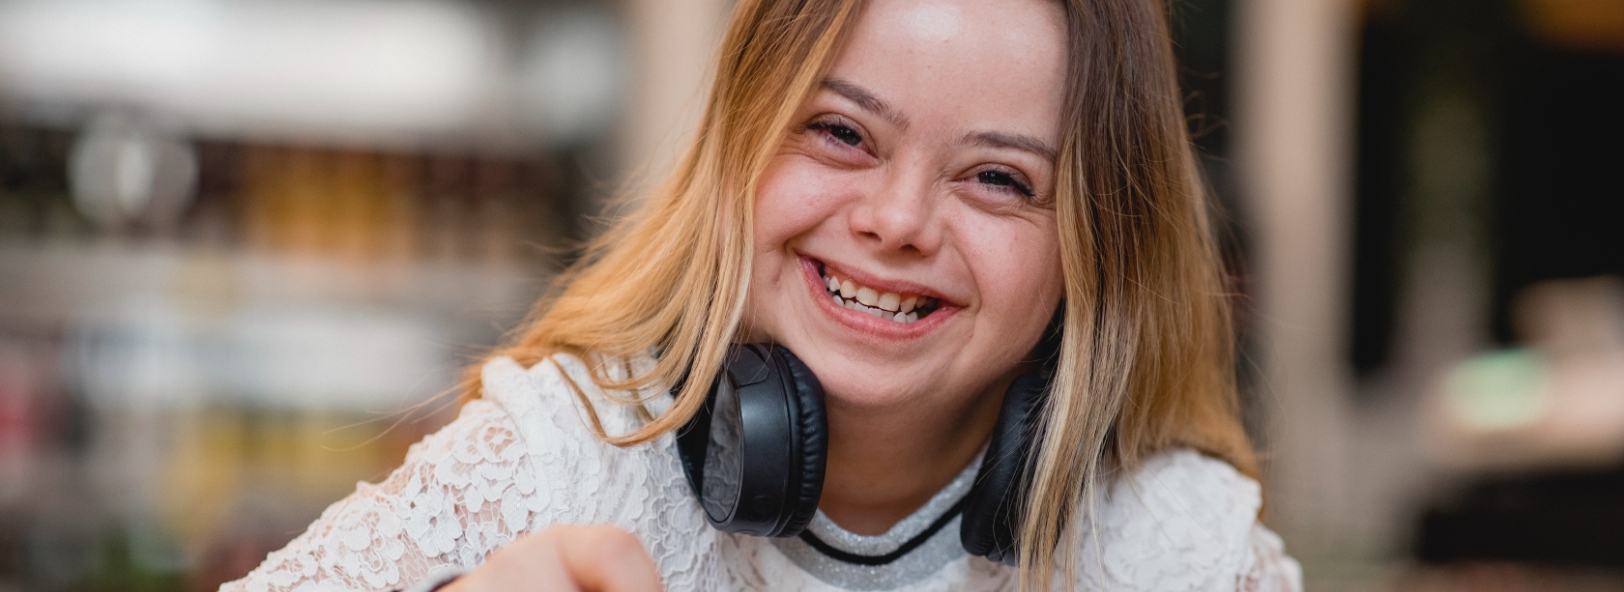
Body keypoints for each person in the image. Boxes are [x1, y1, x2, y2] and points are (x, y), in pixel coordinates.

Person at [222, 0, 1302, 589]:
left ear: (1095, 249)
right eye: (840, 132)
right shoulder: (559, 457)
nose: (896, 220)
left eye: (998, 179)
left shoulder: (1179, 547)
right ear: (738, 149)